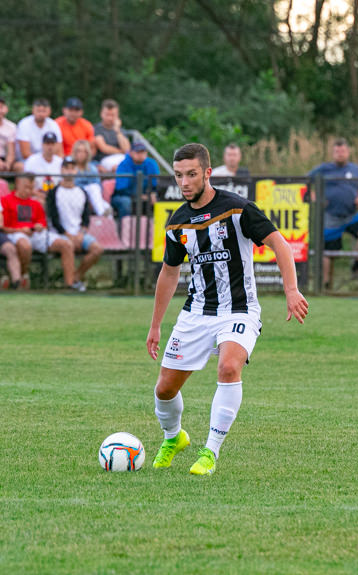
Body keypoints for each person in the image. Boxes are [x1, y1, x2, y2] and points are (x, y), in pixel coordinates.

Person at [145, 143, 308, 476]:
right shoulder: (178, 223)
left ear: (207, 173)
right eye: (178, 176)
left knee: (229, 367)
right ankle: (173, 437)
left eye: (191, 174)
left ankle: (210, 451)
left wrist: (291, 290)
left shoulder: (238, 209)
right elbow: (169, 273)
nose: (184, 182)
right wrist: (155, 325)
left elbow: (279, 243)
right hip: (196, 313)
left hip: (239, 310)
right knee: (164, 390)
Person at [308, 138, 358, 285]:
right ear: (333, 153)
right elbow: (305, 182)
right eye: (337, 151)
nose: (340, 154)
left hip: (351, 215)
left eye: (343, 151)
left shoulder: (355, 169)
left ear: (348, 152)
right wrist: (315, 198)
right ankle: (325, 284)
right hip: (331, 217)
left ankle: (356, 267)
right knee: (328, 253)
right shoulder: (324, 169)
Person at [1, 173, 77, 290]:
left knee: (66, 245)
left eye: (31, 188)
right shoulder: (5, 201)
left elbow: (43, 223)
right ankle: (22, 275)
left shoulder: (36, 203)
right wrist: (20, 229)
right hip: (15, 233)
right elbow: (3, 227)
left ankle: (70, 284)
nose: (29, 191)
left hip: (35, 233)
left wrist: (40, 226)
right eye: (26, 187)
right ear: (17, 184)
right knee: (24, 245)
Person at [45, 158, 103, 291]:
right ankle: (69, 284)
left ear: (76, 170)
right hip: (58, 234)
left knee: (97, 249)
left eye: (72, 167)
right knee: (68, 246)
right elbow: (54, 219)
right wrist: (68, 235)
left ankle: (76, 276)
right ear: (61, 170)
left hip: (78, 233)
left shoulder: (82, 192)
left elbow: (86, 218)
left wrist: (80, 234)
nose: (69, 171)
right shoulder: (54, 193)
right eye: (66, 167)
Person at [112, 142, 159, 218]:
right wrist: (139, 195)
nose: (141, 154)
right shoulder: (124, 165)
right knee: (125, 202)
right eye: (138, 152)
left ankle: (157, 228)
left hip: (146, 194)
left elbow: (156, 183)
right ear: (131, 153)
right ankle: (125, 228)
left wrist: (153, 193)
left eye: (143, 152)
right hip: (124, 195)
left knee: (159, 200)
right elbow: (121, 188)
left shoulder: (151, 163)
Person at [71, 140, 111, 216]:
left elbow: (98, 187)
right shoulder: (70, 167)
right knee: (92, 188)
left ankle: (106, 222)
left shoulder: (92, 168)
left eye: (84, 151)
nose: (81, 154)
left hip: (91, 196)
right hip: (74, 195)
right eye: (79, 151)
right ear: (75, 152)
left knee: (107, 206)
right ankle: (101, 213)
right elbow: (71, 184)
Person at [23, 132, 63, 201]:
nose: (50, 147)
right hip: (36, 195)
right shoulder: (32, 160)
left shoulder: (60, 162)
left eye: (52, 144)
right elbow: (26, 183)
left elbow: (62, 184)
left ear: (56, 146)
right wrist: (38, 194)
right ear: (42, 145)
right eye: (47, 144)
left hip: (56, 196)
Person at [93, 99, 131, 170]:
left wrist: (117, 131)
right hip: (104, 159)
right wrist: (121, 151)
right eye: (107, 114)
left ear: (117, 115)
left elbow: (127, 149)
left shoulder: (120, 130)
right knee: (119, 168)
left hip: (122, 158)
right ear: (101, 114)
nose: (110, 118)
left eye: (113, 115)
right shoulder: (96, 129)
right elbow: (104, 148)